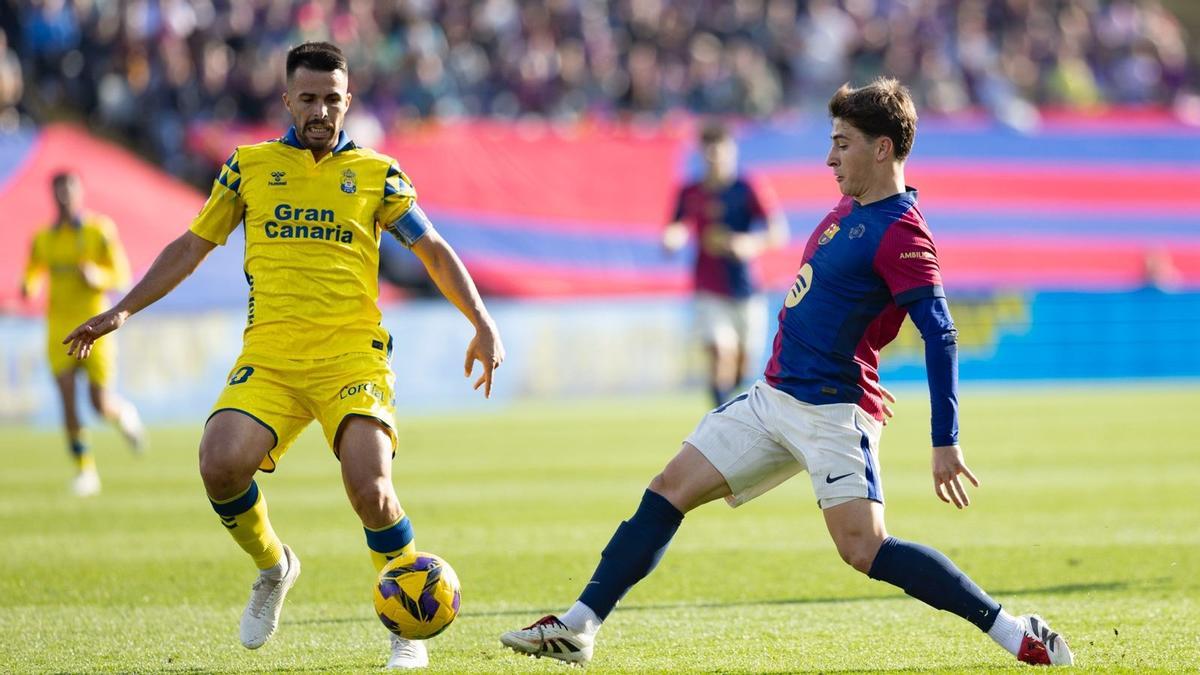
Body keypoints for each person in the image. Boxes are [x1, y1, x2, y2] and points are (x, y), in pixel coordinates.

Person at [500, 79, 1073, 667]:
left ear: (882, 149)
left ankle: (1012, 629)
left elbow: (941, 333)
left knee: (864, 550)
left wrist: (944, 440)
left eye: (843, 145)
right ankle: (579, 625)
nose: (830, 158)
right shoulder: (849, 206)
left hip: (831, 411)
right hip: (772, 398)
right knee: (668, 489)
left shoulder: (903, 232)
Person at [64, 42, 504, 670]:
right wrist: (123, 309)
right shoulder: (248, 167)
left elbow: (430, 248)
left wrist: (482, 322)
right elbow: (192, 246)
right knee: (218, 464)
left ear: (347, 101)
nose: (320, 109)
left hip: (352, 358)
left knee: (372, 489)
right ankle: (275, 567)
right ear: (287, 100)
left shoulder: (379, 173)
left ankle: (405, 625)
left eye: (332, 98)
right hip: (270, 357)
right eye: (309, 98)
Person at [21, 170, 145, 497]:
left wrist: (97, 277)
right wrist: (28, 287)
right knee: (67, 400)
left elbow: (121, 274)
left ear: (79, 193)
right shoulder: (43, 238)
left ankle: (124, 413)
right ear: (52, 194)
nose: (64, 196)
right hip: (59, 328)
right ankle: (85, 471)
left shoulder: (98, 231)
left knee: (99, 404)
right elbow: (33, 271)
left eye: (69, 189)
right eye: (59, 190)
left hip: (95, 328)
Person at [662, 121, 788, 407]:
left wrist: (749, 244)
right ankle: (720, 420)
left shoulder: (747, 188)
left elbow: (777, 232)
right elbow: (678, 226)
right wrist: (672, 238)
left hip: (746, 289)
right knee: (721, 353)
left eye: (719, 150)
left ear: (731, 151)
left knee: (743, 366)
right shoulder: (690, 191)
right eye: (707, 151)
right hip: (708, 287)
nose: (713, 157)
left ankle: (729, 412)